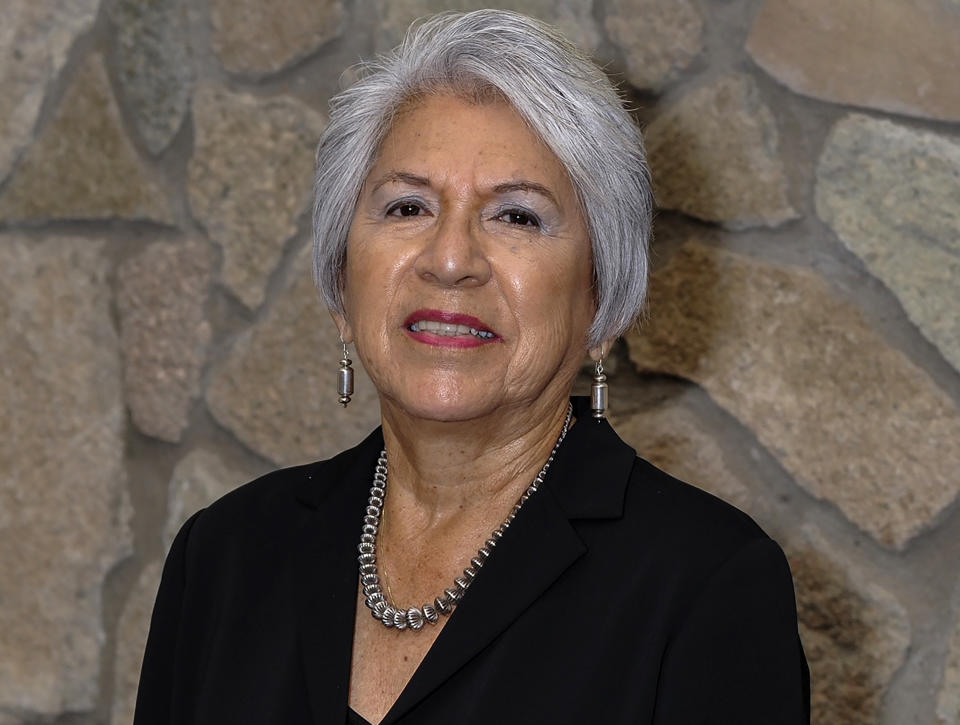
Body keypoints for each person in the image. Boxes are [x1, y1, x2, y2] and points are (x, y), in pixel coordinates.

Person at [134, 10, 809, 725]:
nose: (450, 260)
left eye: (517, 216)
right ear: (340, 284)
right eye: (408, 206)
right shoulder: (226, 557)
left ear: (602, 304)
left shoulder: (705, 586)